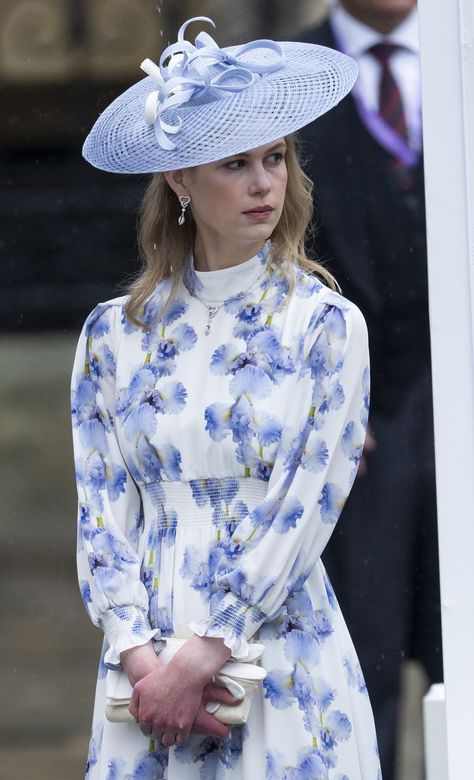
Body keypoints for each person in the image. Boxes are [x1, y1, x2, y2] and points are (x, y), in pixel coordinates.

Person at [71, 16, 382, 779]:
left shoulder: (325, 324)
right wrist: (141, 659)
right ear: (181, 180)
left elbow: (306, 503)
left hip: (280, 652)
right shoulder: (115, 334)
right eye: (235, 164)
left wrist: (206, 652)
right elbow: (101, 510)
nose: (263, 183)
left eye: (274, 159)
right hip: (142, 673)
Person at [297, 2, 443, 778]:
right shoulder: (287, 79)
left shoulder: (463, 53)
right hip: (354, 430)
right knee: (363, 662)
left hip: (465, 414)